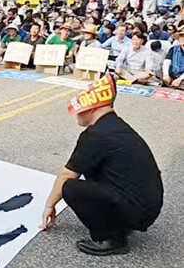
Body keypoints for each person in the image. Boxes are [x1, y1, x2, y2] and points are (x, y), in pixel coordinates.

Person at [41, 74, 163, 256]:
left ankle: (113, 239)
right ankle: (120, 224)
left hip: (136, 209)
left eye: (79, 110)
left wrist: (49, 206)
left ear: (91, 109)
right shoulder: (115, 126)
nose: (76, 115)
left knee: (70, 187)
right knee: (91, 173)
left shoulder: (96, 135)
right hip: (146, 204)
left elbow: (67, 176)